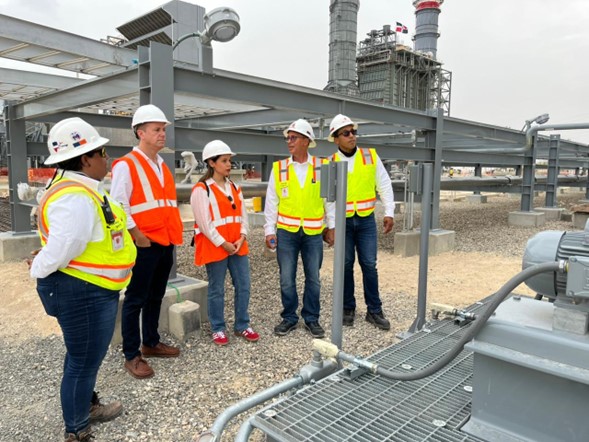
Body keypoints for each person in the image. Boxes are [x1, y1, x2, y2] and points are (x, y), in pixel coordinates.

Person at [29, 117, 137, 441]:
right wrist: (39, 267)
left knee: (82, 356)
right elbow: (67, 245)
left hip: (90, 287)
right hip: (83, 291)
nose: (106, 157)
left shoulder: (83, 190)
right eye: (101, 152)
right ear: (85, 159)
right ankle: (77, 429)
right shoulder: (75, 197)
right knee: (83, 361)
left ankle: (84, 408)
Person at [110, 104, 183, 379]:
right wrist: (137, 235)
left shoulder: (161, 165)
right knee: (136, 298)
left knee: (155, 295)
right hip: (144, 242)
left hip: (165, 240)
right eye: (157, 129)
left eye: (163, 129)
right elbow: (119, 204)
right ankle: (132, 355)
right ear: (140, 132)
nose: (163, 134)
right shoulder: (126, 165)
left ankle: (150, 342)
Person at [264, 119, 335, 338]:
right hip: (287, 232)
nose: (289, 141)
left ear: (306, 140)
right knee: (287, 278)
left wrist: (332, 227)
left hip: (313, 233)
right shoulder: (279, 168)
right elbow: (271, 201)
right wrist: (269, 230)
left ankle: (312, 318)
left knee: (313, 278)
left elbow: (330, 201)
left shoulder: (322, 167)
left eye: (293, 137)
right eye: (288, 138)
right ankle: (289, 317)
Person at [328, 114, 395, 331]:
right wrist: (331, 226)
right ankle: (348, 308)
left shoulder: (370, 156)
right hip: (344, 222)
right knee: (346, 265)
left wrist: (389, 211)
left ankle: (374, 310)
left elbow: (384, 184)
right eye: (346, 133)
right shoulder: (330, 162)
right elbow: (328, 198)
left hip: (366, 220)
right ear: (336, 139)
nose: (352, 136)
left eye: (353, 131)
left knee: (369, 264)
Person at [190, 140, 259, 346]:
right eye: (224, 161)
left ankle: (242, 325)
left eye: (229, 160)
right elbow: (205, 224)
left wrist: (242, 236)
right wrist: (224, 243)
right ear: (211, 163)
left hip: (237, 245)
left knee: (244, 286)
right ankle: (218, 328)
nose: (229, 164)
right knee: (217, 289)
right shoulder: (201, 189)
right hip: (217, 247)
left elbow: (243, 216)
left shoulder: (235, 187)